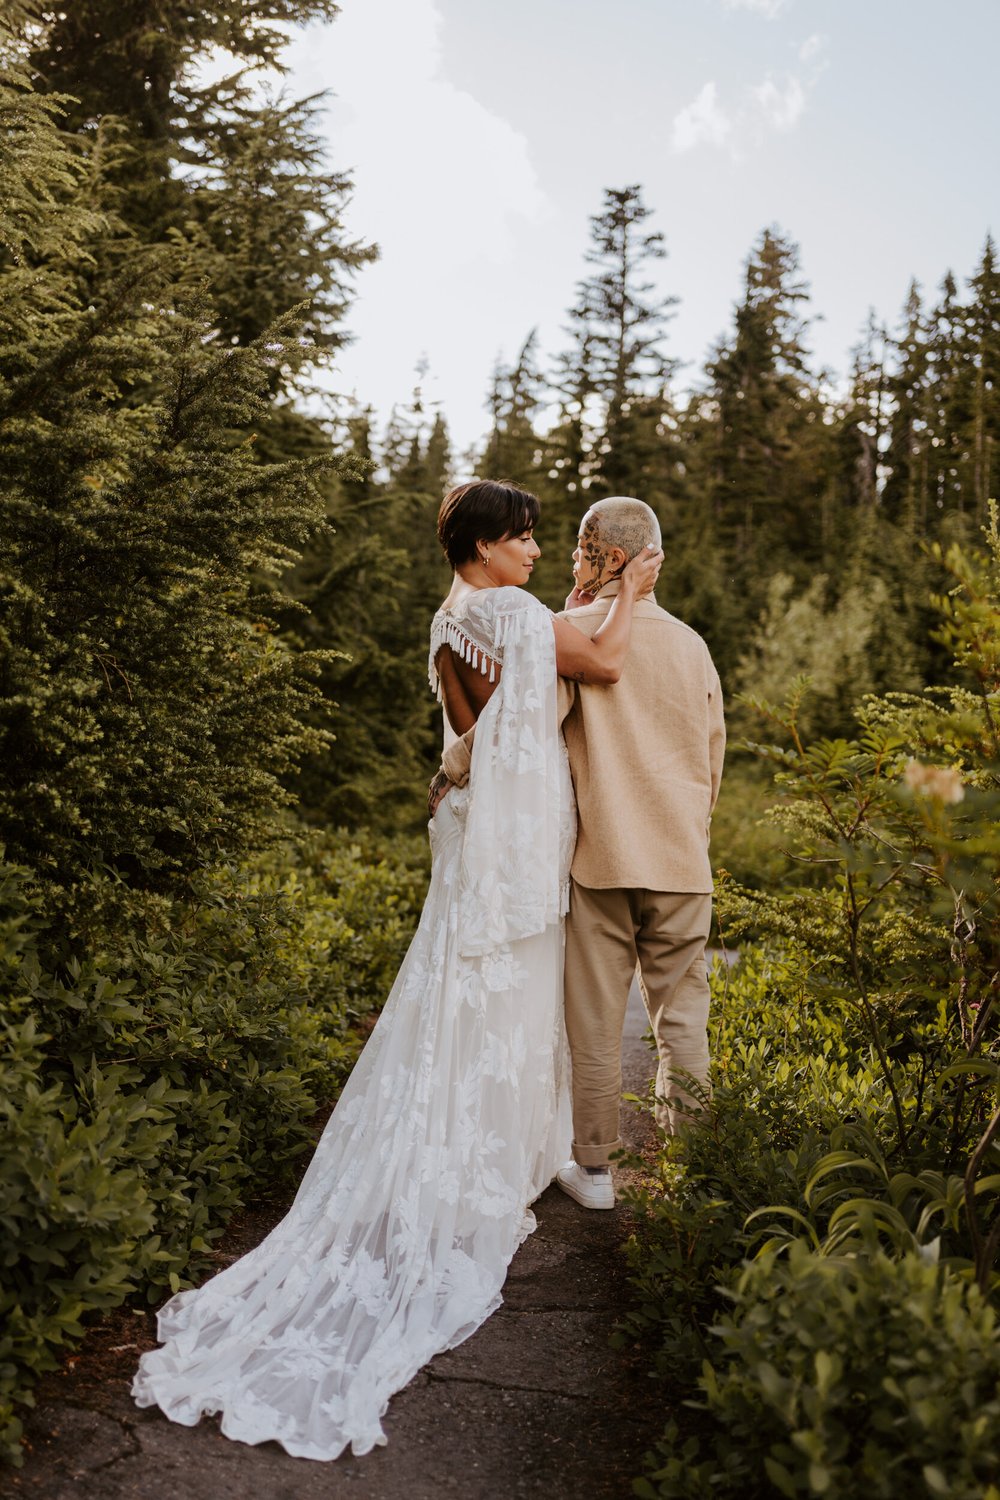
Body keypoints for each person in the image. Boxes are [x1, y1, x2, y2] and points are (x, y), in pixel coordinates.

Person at [132, 479, 661, 1460]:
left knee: (459, 989)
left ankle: (473, 1147)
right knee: (506, 987)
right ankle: (490, 1161)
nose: (538, 551)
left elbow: (482, 719)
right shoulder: (504, 608)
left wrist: (586, 596)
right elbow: (603, 659)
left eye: (547, 539)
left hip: (475, 825)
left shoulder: (454, 613)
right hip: (514, 831)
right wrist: (631, 584)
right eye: (524, 537)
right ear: (485, 545)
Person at [438, 497, 725, 1211]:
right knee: (683, 1019)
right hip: (682, 860)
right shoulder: (692, 646)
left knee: (594, 1020)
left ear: (610, 560)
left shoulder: (565, 635)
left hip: (600, 862)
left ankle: (594, 1171)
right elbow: (712, 756)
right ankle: (695, 1168)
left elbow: (517, 727)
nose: (565, 561)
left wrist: (452, 767)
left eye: (576, 550)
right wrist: (693, 829)